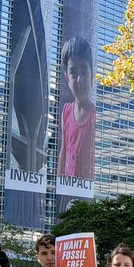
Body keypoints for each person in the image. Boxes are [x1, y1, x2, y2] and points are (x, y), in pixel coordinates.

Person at [55, 37, 96, 179]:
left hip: (86, 190)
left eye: (84, 71)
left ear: (92, 74)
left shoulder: (95, 114)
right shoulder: (66, 111)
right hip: (67, 188)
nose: (79, 80)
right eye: (73, 73)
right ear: (67, 78)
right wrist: (58, 183)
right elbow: (64, 150)